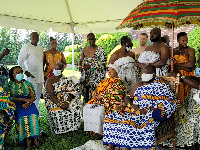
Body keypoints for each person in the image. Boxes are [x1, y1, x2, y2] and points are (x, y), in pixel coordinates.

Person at [103, 64, 180, 150]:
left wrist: (147, 110)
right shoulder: (139, 84)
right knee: (110, 118)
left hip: (146, 114)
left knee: (129, 123)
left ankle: (127, 148)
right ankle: (111, 148)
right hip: (132, 111)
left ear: (153, 75)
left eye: (146, 73)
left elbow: (167, 102)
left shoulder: (162, 86)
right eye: (143, 73)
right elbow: (127, 97)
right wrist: (132, 105)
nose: (144, 75)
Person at [4, 66, 40, 149]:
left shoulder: (27, 83)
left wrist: (28, 103)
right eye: (17, 73)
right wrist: (22, 99)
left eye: (21, 72)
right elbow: (8, 97)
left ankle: (35, 138)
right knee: (22, 117)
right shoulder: (9, 85)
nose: (20, 74)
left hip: (29, 103)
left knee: (34, 114)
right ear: (13, 75)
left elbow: (33, 97)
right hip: (16, 104)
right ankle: (26, 139)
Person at [162, 76, 200, 149]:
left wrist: (183, 78)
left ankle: (187, 142)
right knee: (178, 112)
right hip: (192, 101)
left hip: (196, 105)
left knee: (188, 118)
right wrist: (186, 77)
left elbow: (198, 86)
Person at [45, 62, 82, 134]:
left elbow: (72, 92)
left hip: (67, 99)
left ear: (62, 70)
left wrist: (67, 102)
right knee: (56, 111)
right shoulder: (49, 81)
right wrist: (60, 104)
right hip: (54, 100)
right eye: (55, 69)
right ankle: (61, 130)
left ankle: (73, 128)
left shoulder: (67, 79)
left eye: (58, 69)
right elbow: (51, 95)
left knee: (76, 106)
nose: (56, 70)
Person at [18, 32, 44, 111]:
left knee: (38, 95)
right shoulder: (26, 47)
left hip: (40, 76)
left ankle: (36, 112)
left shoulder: (40, 48)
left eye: (37, 37)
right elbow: (20, 60)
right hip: (31, 76)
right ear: (30, 38)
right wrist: (25, 71)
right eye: (33, 37)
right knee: (31, 95)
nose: (35, 39)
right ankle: (31, 113)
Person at [79, 33, 107, 104]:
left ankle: (96, 106)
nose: (91, 40)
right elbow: (80, 61)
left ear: (95, 39)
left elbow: (104, 63)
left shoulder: (100, 49)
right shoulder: (84, 50)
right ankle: (87, 106)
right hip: (87, 75)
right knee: (86, 92)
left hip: (97, 76)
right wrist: (80, 67)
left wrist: (92, 66)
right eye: (89, 39)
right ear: (87, 40)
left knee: (96, 92)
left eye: (92, 39)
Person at [173, 32, 196, 102]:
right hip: (178, 75)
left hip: (189, 76)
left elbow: (191, 64)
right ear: (178, 41)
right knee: (178, 96)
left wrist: (177, 65)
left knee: (189, 96)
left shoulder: (191, 50)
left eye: (186, 40)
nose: (185, 42)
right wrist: (185, 67)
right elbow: (172, 66)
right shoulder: (174, 51)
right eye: (183, 41)